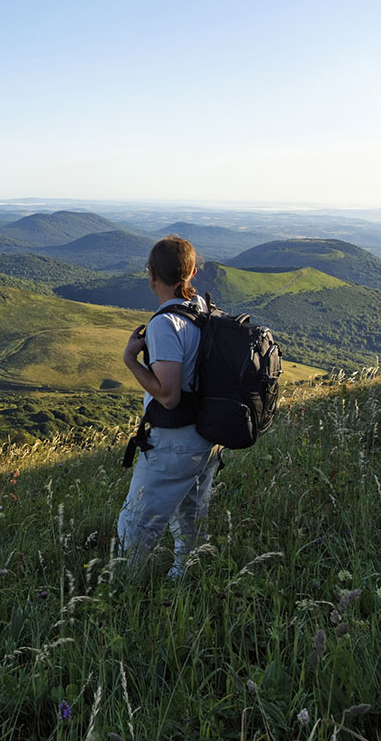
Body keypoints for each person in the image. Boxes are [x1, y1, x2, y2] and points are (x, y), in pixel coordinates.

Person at [118, 235, 222, 578]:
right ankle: (186, 579)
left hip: (174, 440)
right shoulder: (201, 309)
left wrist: (131, 360)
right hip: (206, 436)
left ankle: (127, 591)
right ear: (191, 272)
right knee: (191, 518)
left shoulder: (165, 324)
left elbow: (168, 394)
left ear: (151, 274)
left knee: (134, 524)